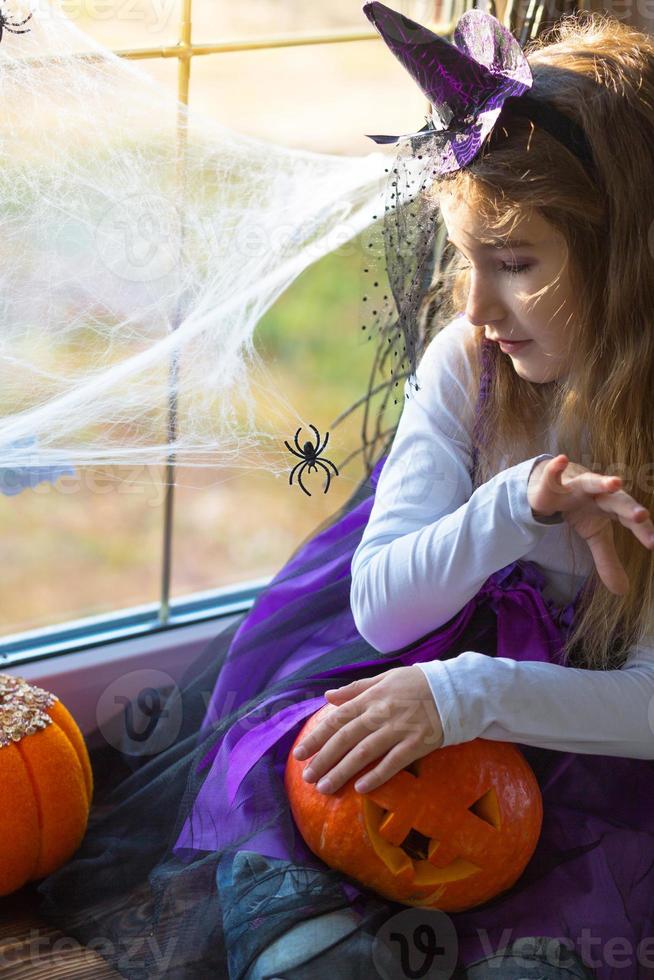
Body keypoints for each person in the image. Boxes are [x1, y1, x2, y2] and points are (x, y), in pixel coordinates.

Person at [35, 4, 654, 979]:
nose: (478, 305)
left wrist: (469, 696)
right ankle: (309, 939)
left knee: (575, 878)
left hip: (566, 731)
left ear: (628, 261)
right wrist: (513, 506)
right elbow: (382, 611)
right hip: (401, 669)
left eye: (518, 264)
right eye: (468, 260)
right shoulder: (471, 365)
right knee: (285, 764)